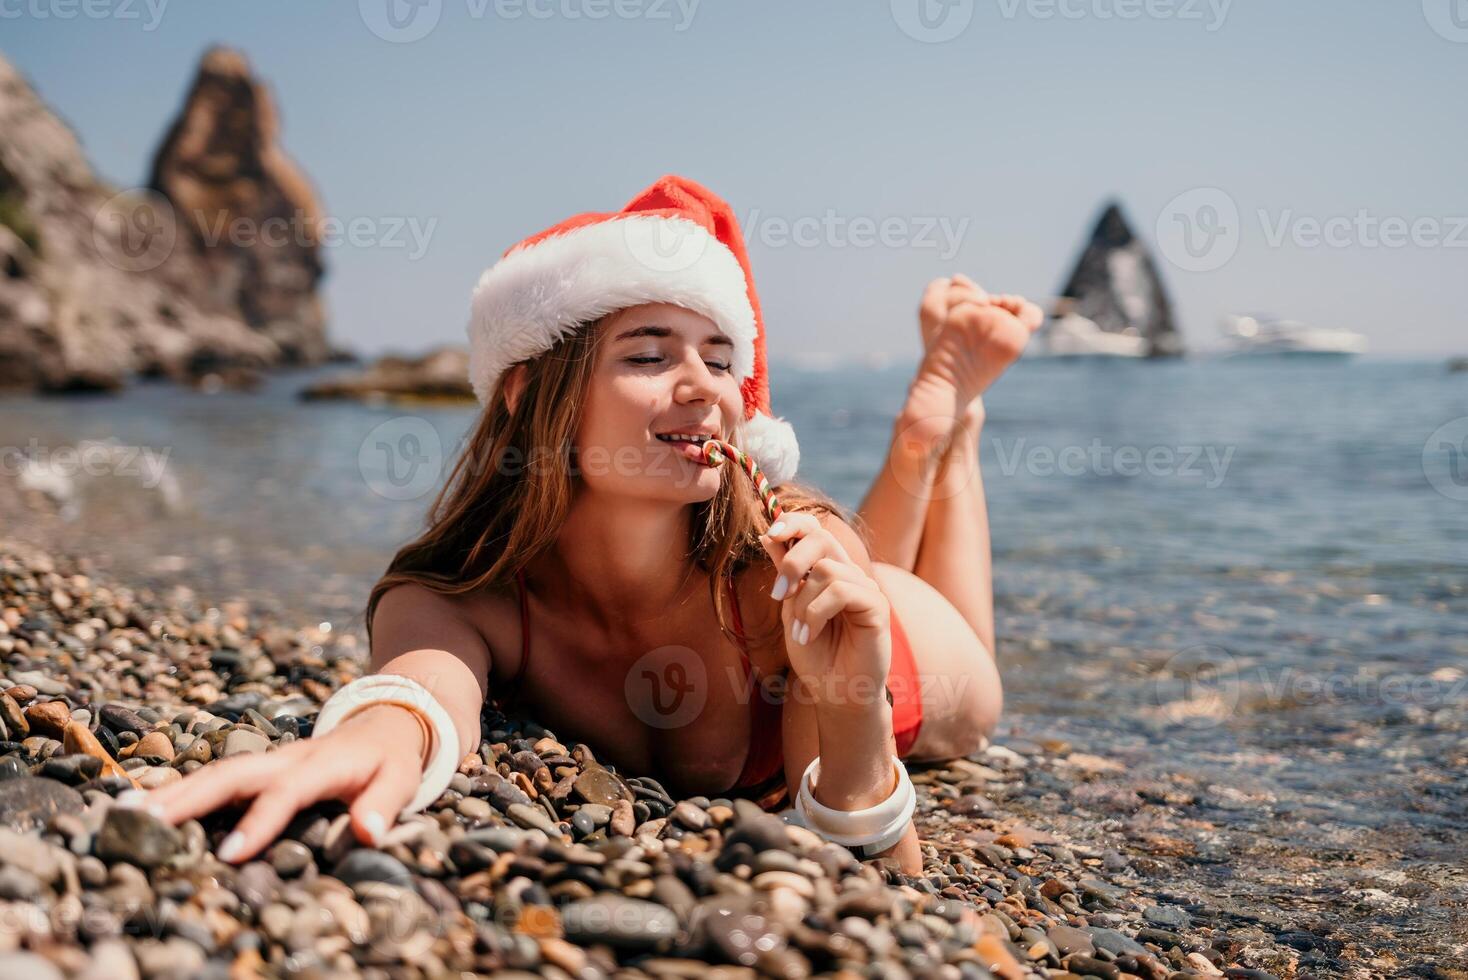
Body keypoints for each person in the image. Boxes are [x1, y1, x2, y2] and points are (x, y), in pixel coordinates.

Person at [124, 175, 1040, 874]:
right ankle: (929, 440)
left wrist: (849, 699)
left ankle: (938, 443)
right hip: (837, 600)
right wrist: (362, 743)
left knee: (963, 676)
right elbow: (413, 693)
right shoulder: (470, 597)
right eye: (649, 354)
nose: (704, 387)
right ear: (529, 397)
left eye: (723, 361)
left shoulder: (781, 580)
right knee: (851, 564)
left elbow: (877, 865)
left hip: (898, 646)